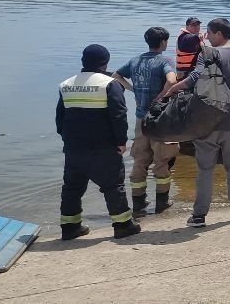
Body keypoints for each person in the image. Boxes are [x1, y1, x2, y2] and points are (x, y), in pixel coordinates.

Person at [162, 18, 230, 227]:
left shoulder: (208, 54)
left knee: (205, 170)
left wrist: (175, 88)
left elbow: (195, 77)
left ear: (219, 34)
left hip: (206, 124)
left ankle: (199, 216)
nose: (207, 37)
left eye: (210, 33)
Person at [56, 44, 140, 240]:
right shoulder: (109, 84)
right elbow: (119, 115)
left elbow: (60, 118)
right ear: (105, 63)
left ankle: (69, 228)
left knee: (72, 187)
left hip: (74, 147)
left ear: (83, 61)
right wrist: (121, 141)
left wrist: (66, 139)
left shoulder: (66, 85)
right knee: (113, 185)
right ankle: (122, 225)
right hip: (103, 147)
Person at [113, 27, 179, 217]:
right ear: (164, 43)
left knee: (140, 159)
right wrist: (161, 96)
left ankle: (139, 204)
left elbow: (116, 75)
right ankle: (162, 203)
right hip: (160, 119)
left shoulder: (135, 61)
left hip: (141, 117)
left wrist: (132, 89)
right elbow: (172, 80)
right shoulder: (165, 60)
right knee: (162, 159)